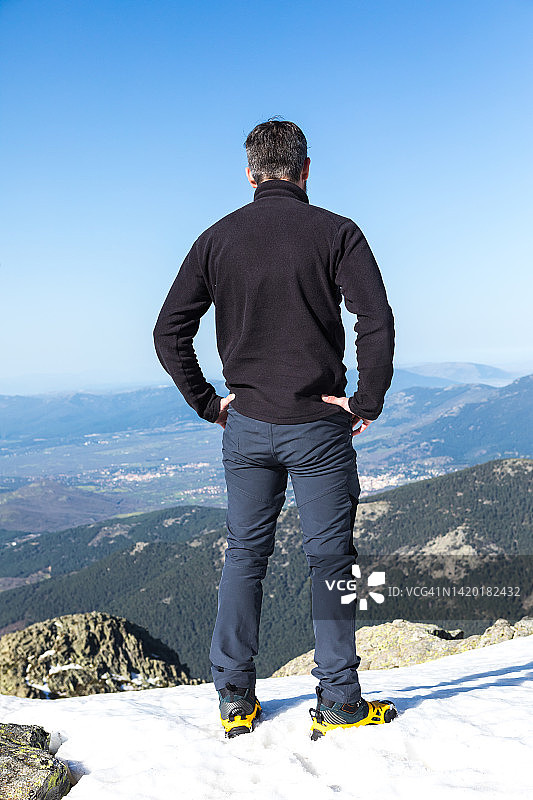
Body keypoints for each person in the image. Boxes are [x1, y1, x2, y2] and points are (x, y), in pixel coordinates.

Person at [153, 118, 398, 739]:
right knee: (332, 561)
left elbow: (167, 331)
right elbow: (376, 319)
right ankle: (339, 700)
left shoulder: (219, 238)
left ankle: (234, 697)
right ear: (306, 169)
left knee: (244, 557)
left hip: (248, 425)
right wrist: (365, 400)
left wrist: (210, 404)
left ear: (251, 173)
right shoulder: (337, 233)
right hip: (319, 426)